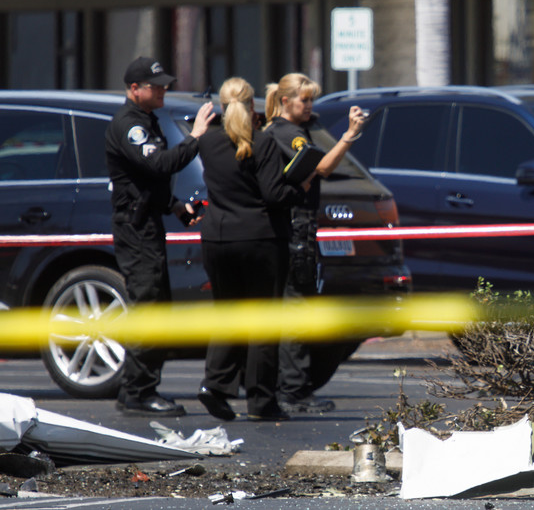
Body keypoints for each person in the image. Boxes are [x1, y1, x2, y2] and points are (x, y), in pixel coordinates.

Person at [106, 56, 215, 416]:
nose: (163, 90)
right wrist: (196, 136)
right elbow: (158, 164)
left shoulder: (146, 120)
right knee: (148, 308)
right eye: (156, 86)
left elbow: (150, 182)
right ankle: (138, 393)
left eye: (164, 84)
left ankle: (139, 388)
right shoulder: (129, 125)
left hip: (147, 224)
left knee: (158, 307)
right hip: (135, 229)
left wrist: (176, 206)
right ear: (134, 89)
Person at [196, 77, 305, 421]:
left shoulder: (209, 142)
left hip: (217, 238)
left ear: (221, 105)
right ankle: (261, 400)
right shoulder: (263, 142)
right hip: (260, 239)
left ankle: (215, 386)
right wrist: (299, 188)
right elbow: (274, 195)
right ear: (253, 105)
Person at [263, 73, 367, 413]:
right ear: (285, 101)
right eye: (304, 100)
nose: (309, 106)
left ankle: (291, 385)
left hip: (299, 229)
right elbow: (321, 166)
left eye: (311, 100)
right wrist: (349, 136)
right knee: (295, 311)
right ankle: (293, 390)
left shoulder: (295, 130)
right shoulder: (286, 133)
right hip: (294, 230)